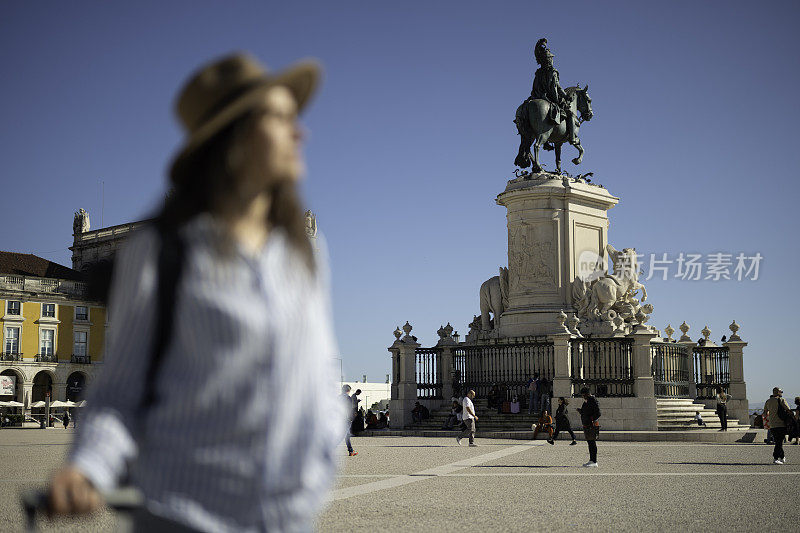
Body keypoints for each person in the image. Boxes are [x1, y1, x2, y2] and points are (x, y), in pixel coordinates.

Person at [47, 53, 346, 530]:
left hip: (288, 520)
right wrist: (88, 467)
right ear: (234, 136)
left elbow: (323, 372)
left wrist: (316, 469)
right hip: (183, 517)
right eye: (279, 118)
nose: (300, 132)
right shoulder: (163, 251)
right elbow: (120, 392)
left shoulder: (304, 251)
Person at [530, 38, 577, 144]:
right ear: (549, 59)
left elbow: (535, 86)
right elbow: (557, 88)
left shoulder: (538, 72)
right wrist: (565, 96)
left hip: (538, 95)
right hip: (551, 96)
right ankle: (572, 137)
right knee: (569, 113)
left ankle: (546, 143)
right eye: (551, 58)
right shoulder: (553, 72)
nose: (552, 60)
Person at [763, 387, 792, 464]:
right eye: (781, 392)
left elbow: (765, 413)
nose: (782, 393)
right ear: (778, 392)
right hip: (781, 424)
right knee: (779, 442)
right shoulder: (782, 400)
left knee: (778, 441)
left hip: (772, 424)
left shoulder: (768, 401)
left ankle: (782, 457)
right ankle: (775, 458)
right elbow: (788, 409)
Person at [577, 387, 601, 467]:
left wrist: (591, 419)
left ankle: (594, 461)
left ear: (587, 394)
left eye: (584, 395)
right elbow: (586, 412)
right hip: (587, 424)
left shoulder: (592, 400)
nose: (583, 397)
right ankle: (591, 460)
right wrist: (581, 411)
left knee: (592, 442)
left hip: (591, 425)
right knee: (590, 443)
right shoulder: (587, 401)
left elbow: (598, 413)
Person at [341, 385, 358, 456]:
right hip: (346, 418)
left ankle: (351, 450)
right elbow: (349, 409)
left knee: (347, 434)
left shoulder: (338, 397)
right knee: (342, 435)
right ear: (348, 391)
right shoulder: (348, 398)